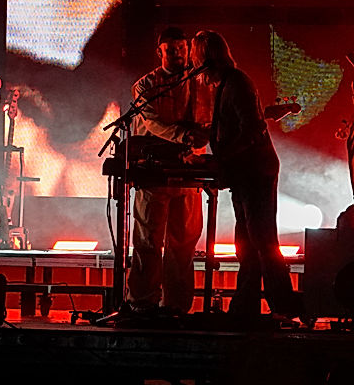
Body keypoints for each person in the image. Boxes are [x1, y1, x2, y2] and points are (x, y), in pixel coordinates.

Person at [190, 30, 305, 323]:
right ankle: (247, 305)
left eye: (194, 55)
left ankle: (284, 304)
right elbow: (245, 121)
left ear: (204, 57)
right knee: (249, 241)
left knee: (261, 239)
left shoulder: (235, 83)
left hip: (256, 171)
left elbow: (251, 130)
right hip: (249, 172)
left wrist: (221, 158)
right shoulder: (230, 83)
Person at [124, 27, 210, 318]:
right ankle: (142, 303)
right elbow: (152, 123)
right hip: (152, 175)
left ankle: (177, 306)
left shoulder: (200, 82)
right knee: (148, 242)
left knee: (183, 245)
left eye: (182, 48)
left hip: (187, 177)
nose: (177, 54)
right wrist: (185, 137)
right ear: (159, 51)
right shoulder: (146, 85)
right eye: (171, 49)